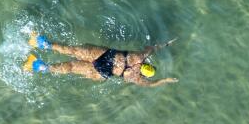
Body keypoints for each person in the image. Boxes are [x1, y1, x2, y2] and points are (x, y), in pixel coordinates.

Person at [23, 33, 177, 87]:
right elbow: (152, 84)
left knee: (73, 51)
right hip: (103, 72)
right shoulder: (135, 78)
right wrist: (165, 80)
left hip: (106, 55)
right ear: (144, 73)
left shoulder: (139, 56)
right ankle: (39, 67)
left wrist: (168, 43)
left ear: (145, 63)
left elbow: (153, 48)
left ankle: (41, 43)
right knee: (70, 67)